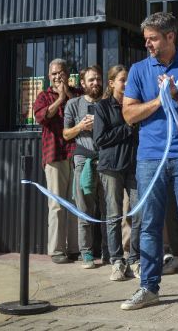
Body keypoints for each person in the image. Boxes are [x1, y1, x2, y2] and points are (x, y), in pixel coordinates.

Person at [120, 12, 178, 311]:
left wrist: (176, 94)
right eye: (146, 39)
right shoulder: (138, 70)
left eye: (153, 39)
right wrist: (158, 101)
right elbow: (128, 114)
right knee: (148, 225)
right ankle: (148, 288)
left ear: (170, 36)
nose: (148, 44)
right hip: (150, 158)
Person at [93, 64, 140, 281]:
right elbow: (100, 139)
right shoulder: (102, 106)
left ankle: (135, 259)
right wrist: (127, 127)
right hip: (111, 168)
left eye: (128, 80)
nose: (127, 83)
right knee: (113, 216)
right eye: (123, 79)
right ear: (112, 83)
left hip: (133, 166)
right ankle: (117, 261)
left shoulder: (134, 103)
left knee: (138, 213)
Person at [33, 58, 80, 264]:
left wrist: (67, 95)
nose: (56, 76)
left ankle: (76, 248)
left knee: (76, 203)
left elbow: (83, 114)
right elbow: (42, 117)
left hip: (76, 154)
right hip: (54, 155)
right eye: (53, 73)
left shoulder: (78, 94)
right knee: (57, 204)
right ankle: (57, 250)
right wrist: (59, 99)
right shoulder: (43, 96)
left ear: (68, 74)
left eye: (60, 72)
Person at [64, 66, 104, 269]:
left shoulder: (108, 103)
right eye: (91, 80)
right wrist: (81, 126)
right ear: (83, 83)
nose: (96, 83)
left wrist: (100, 124)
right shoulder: (73, 104)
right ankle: (86, 253)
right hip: (83, 161)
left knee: (109, 211)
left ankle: (109, 253)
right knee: (84, 210)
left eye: (98, 79)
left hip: (106, 161)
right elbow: (66, 134)